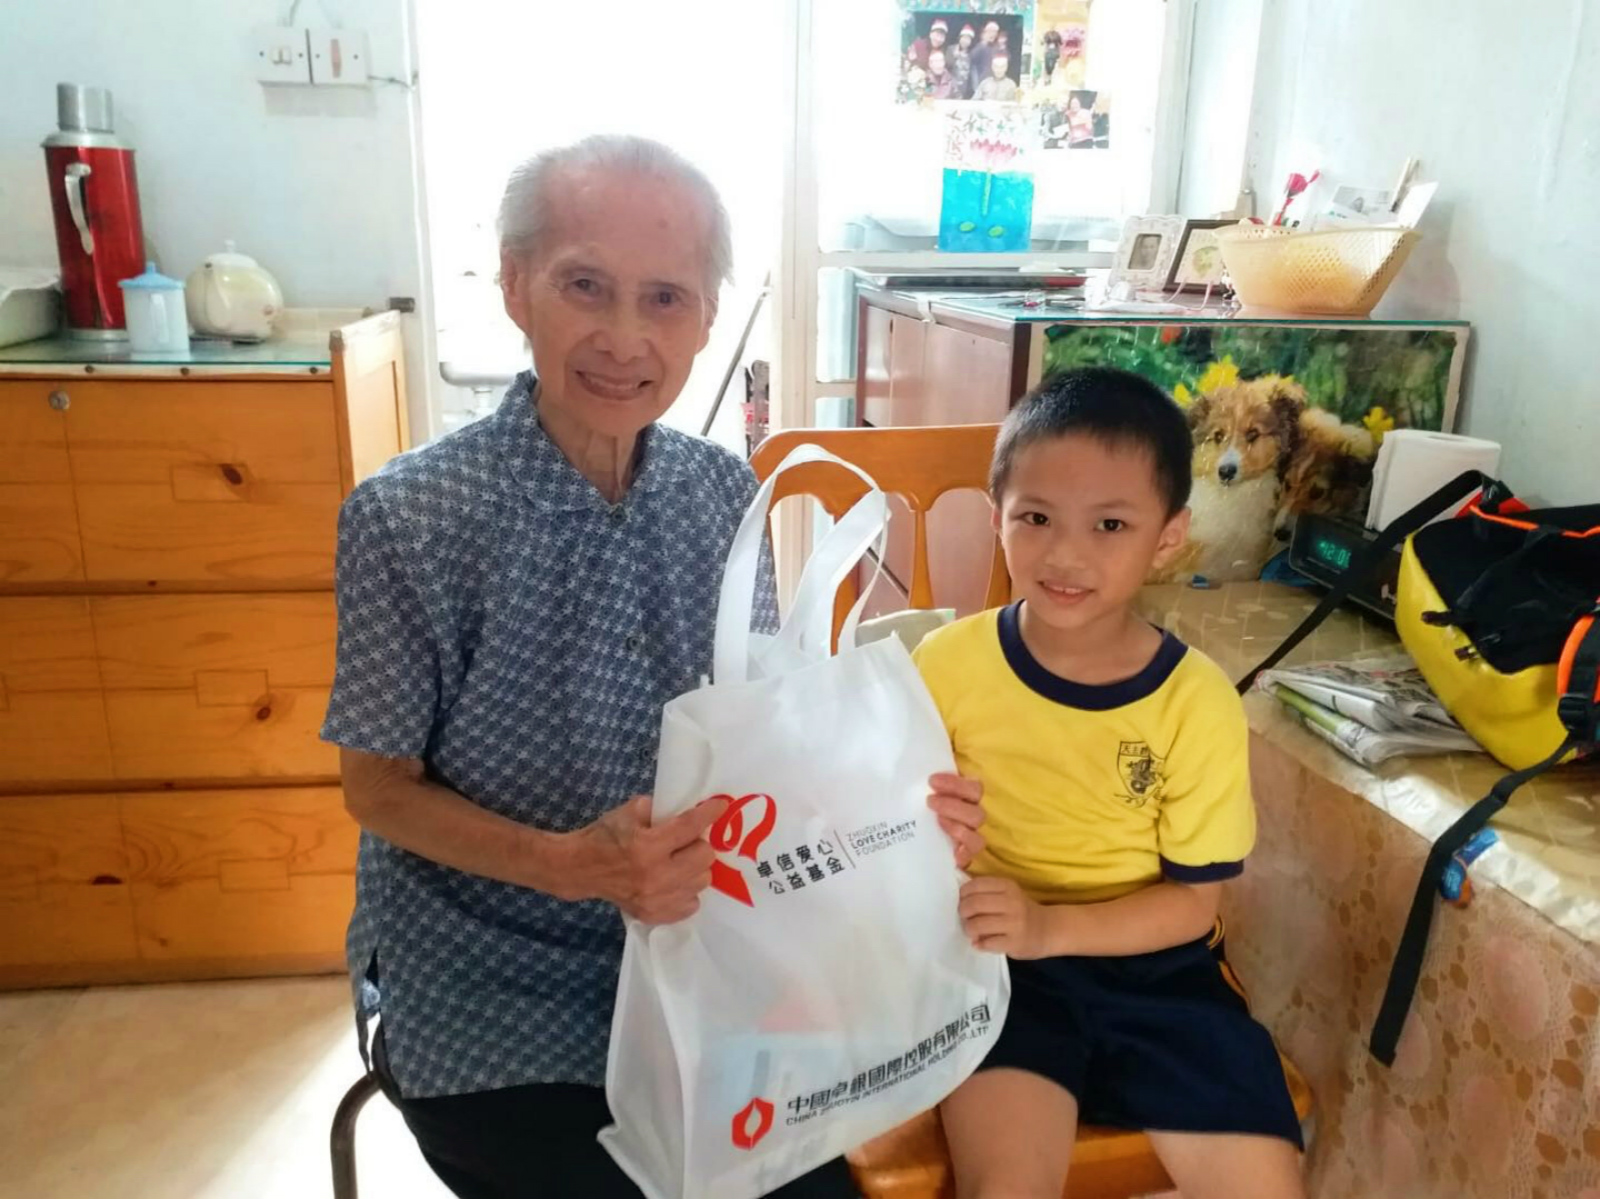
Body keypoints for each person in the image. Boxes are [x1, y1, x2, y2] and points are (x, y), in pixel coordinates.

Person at [322, 134, 861, 1199]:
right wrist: (573, 865)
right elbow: (375, 788)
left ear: (707, 317)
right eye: (584, 286)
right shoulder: (411, 514)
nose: (623, 338)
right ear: (514, 284)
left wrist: (898, 810)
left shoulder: (722, 494)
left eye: (665, 298)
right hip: (484, 974)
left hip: (695, 952)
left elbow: (758, 731)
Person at [913, 368, 1307, 1199]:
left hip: (1157, 971)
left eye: (1111, 524)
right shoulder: (944, 665)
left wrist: (1051, 926)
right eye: (1036, 517)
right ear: (995, 515)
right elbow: (887, 829)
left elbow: (1193, 904)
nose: (1066, 553)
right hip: (995, 969)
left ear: (1168, 536)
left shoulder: (1196, 700)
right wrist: (927, 829)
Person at [968, 20, 1001, 92]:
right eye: (990, 31)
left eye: (995, 32)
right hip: (981, 82)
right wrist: (983, 43)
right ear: (985, 32)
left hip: (995, 82)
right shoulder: (981, 46)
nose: (993, 34)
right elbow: (971, 58)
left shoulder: (997, 47)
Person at [950, 24, 976, 98]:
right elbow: (947, 65)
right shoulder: (951, 49)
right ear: (960, 38)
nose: (965, 41)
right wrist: (954, 57)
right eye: (964, 38)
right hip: (951, 88)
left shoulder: (971, 54)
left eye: (968, 39)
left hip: (965, 90)